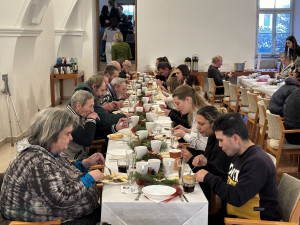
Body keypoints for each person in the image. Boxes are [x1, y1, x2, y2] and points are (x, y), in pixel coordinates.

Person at [0, 108, 105, 224]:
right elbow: (63, 198)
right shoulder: (37, 161)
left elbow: (57, 172)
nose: (71, 138)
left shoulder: (47, 149)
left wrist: (84, 163)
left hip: (71, 214)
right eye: (67, 134)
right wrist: (90, 178)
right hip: (51, 221)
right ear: (51, 135)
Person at [193, 113, 280, 223]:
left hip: (252, 221)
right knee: (193, 219)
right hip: (234, 216)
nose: (219, 145)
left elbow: (237, 197)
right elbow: (230, 180)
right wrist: (208, 165)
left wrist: (208, 177)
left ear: (235, 138)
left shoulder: (257, 162)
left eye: (221, 140)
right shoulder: (240, 154)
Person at [177, 106, 232, 208]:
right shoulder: (212, 137)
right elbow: (207, 159)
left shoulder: (221, 144)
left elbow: (215, 174)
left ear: (213, 123)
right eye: (197, 123)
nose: (197, 127)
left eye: (201, 124)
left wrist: (191, 159)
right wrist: (189, 151)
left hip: (214, 198)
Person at [63, 90, 100, 160]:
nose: (92, 110)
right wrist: (91, 119)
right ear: (78, 105)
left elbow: (93, 132)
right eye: (90, 106)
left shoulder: (78, 115)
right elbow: (86, 140)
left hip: (82, 157)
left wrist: (114, 128)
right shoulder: (67, 119)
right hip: (73, 162)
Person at [172, 85, 209, 150]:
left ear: (188, 100)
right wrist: (186, 131)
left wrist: (185, 135)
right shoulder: (195, 112)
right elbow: (197, 135)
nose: (176, 107)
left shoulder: (203, 116)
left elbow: (205, 147)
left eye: (178, 103)